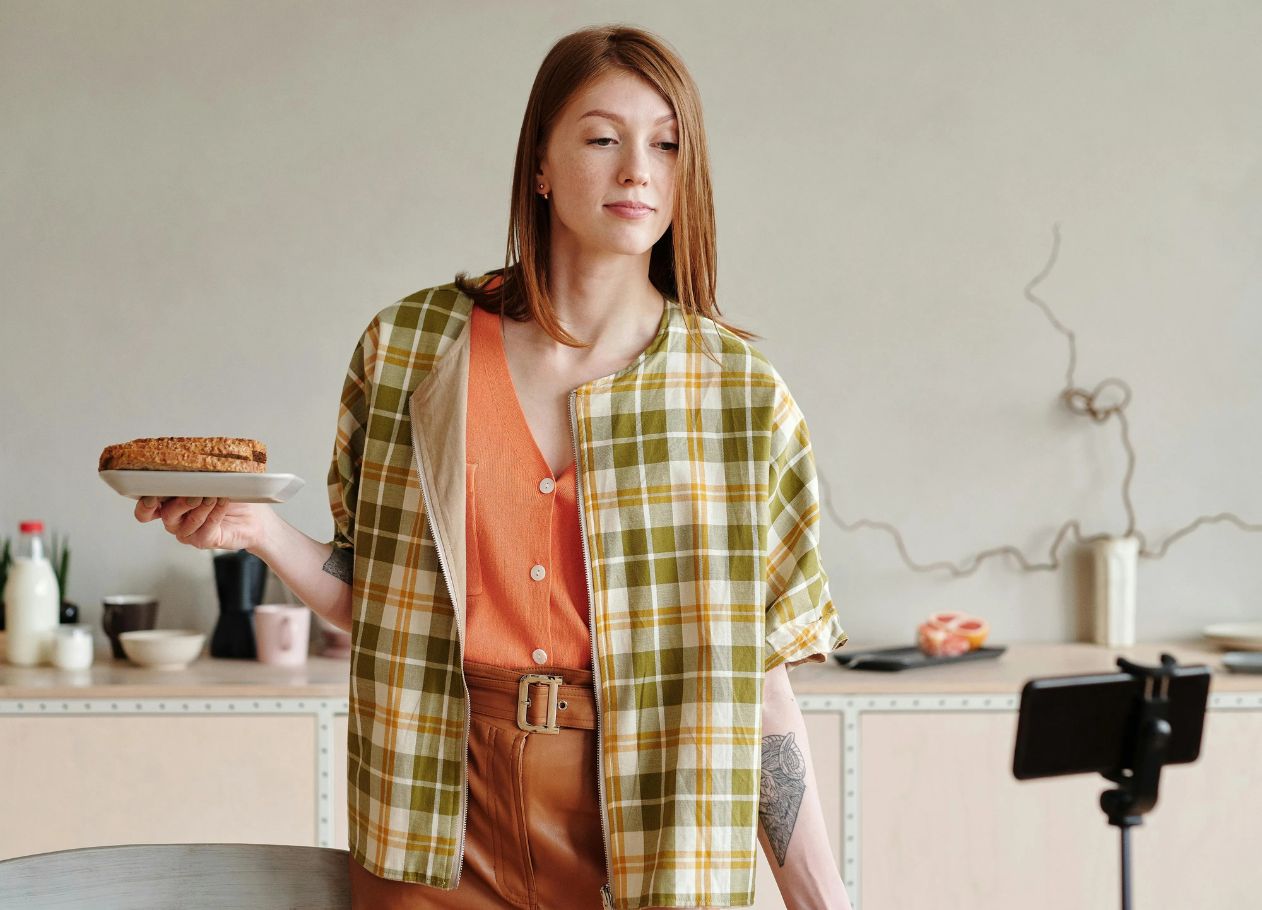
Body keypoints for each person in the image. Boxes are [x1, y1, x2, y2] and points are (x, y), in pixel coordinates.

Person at [134, 23, 851, 910]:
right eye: (602, 137)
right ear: (540, 166)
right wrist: (262, 533)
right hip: (438, 813)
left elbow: (763, 681)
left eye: (666, 144)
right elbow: (386, 600)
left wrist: (826, 902)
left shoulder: (741, 397)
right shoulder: (408, 351)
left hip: (651, 827)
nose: (638, 170)